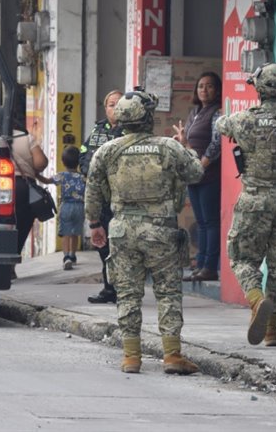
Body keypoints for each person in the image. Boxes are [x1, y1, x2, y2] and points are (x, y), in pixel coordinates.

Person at [85, 88, 204, 374]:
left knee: (127, 293)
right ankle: (173, 355)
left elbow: (92, 191)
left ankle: (131, 357)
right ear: (148, 116)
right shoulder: (168, 147)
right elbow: (196, 172)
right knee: (168, 293)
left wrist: (94, 225)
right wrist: (186, 146)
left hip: (122, 230)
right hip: (161, 230)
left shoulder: (107, 150)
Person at [216, 63, 276, 347]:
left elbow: (220, 124)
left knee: (242, 258)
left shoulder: (244, 120)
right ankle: (273, 330)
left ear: (260, 88)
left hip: (255, 200)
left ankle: (257, 301)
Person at [173, 72, 222, 281]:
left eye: (209, 86)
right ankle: (200, 263)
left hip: (209, 175)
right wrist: (183, 142)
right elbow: (190, 143)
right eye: (201, 86)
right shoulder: (195, 112)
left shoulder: (217, 112)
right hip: (194, 175)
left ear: (217, 90)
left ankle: (210, 266)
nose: (204, 90)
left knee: (211, 222)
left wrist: (202, 164)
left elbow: (217, 142)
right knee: (200, 222)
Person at [79, 89, 124, 304]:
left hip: (121, 198)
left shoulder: (130, 131)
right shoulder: (98, 130)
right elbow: (84, 154)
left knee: (121, 245)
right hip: (99, 197)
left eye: (118, 104)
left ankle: (123, 289)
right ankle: (109, 287)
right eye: (111, 104)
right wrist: (91, 171)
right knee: (102, 243)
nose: (114, 108)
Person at [37, 146, 86, 271]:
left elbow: (47, 181)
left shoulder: (62, 176)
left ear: (63, 162)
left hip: (66, 206)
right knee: (75, 233)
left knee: (65, 233)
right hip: (80, 207)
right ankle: (73, 255)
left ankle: (66, 257)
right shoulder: (83, 177)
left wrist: (35, 175)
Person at [11, 126, 49, 275]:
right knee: (21, 224)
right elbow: (41, 163)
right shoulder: (25, 138)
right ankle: (11, 265)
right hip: (22, 187)